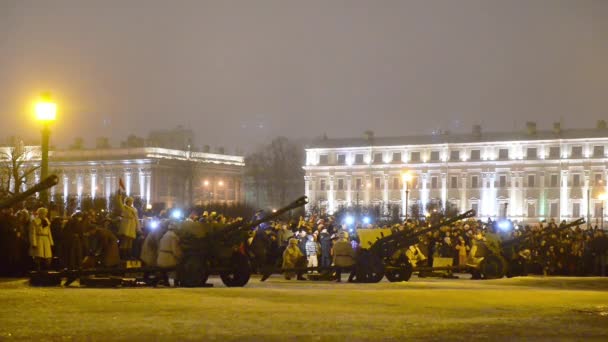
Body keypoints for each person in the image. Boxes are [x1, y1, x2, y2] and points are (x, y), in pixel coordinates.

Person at [117, 194, 140, 259]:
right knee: (125, 241)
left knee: (130, 241)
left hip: (132, 226)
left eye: (131, 201)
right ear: (127, 202)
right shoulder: (124, 207)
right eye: (130, 201)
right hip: (126, 225)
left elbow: (136, 218)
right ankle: (123, 255)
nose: (131, 203)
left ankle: (129, 255)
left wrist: (137, 227)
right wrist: (119, 197)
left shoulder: (134, 209)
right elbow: (120, 203)